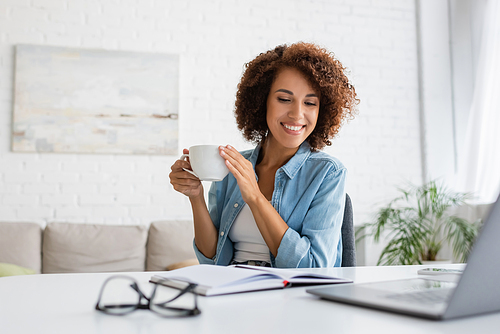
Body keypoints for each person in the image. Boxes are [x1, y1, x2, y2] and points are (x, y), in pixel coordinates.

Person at [169, 42, 358, 268]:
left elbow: (314, 267)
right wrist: (195, 196)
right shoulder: (232, 166)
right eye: (284, 99)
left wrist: (255, 198)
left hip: (290, 296)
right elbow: (213, 259)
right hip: (230, 290)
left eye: (309, 103)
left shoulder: (327, 173)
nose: (297, 114)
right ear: (262, 101)